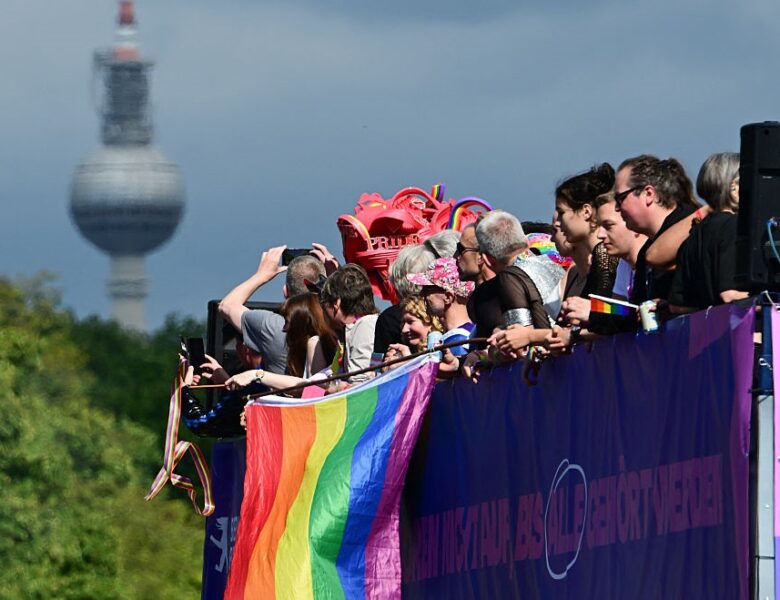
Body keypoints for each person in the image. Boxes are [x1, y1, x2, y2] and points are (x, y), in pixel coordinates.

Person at [218, 245, 327, 374]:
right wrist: (336, 274)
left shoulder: (273, 326)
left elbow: (227, 306)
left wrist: (262, 275)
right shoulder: (335, 322)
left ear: (285, 291)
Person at [614, 154, 698, 306]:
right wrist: (598, 310)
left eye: (621, 198)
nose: (617, 208)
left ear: (649, 194)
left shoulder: (694, 230)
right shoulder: (645, 252)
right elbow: (634, 310)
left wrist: (670, 308)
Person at [668, 152, 749, 309]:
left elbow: (677, 305)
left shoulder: (694, 233)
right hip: (733, 322)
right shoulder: (733, 226)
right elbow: (729, 294)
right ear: (734, 188)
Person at [554, 163, 619, 300]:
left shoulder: (604, 254)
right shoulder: (596, 257)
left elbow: (605, 307)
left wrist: (587, 309)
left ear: (586, 212)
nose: (558, 222)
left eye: (562, 213)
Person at [408, 257, 475, 357]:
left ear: (448, 297)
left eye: (427, 289)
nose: (421, 294)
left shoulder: (460, 340)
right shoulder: (462, 335)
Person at [280, 292, 338, 378]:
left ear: (302, 322)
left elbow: (315, 385)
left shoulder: (314, 343)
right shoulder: (321, 342)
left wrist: (261, 375)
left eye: (287, 321)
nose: (284, 329)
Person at [383, 295, 444, 368]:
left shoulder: (443, 347)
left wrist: (408, 364)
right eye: (403, 323)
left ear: (429, 320)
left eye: (410, 321)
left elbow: (433, 371)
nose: (404, 330)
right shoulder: (403, 351)